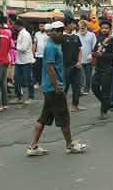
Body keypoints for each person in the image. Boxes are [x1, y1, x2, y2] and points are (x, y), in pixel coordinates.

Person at [27, 21, 87, 156]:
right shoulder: (51, 47)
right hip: (53, 88)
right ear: (53, 32)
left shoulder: (55, 45)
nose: (61, 35)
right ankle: (70, 145)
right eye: (58, 32)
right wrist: (57, 86)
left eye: (61, 31)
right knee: (64, 117)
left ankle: (33, 146)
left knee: (43, 118)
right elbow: (50, 68)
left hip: (50, 88)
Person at [92, 18, 113, 119]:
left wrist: (102, 55)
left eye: (106, 28)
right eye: (102, 28)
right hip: (98, 68)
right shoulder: (98, 39)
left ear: (110, 29)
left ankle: (103, 112)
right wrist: (94, 54)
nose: (104, 30)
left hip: (108, 69)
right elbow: (94, 51)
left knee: (105, 91)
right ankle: (107, 103)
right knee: (94, 87)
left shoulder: (112, 40)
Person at [62, 17, 85, 112]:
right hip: (65, 66)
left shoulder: (76, 37)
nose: (75, 26)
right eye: (73, 24)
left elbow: (79, 50)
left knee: (77, 86)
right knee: (64, 87)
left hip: (76, 66)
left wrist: (79, 61)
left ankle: (75, 105)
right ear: (67, 25)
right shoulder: (61, 37)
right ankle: (60, 106)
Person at [14, 23, 36, 102]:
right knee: (16, 79)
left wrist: (15, 45)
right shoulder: (20, 33)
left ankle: (31, 96)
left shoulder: (25, 34)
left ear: (18, 25)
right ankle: (18, 96)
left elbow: (23, 48)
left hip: (26, 60)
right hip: (19, 60)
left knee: (28, 79)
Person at [78, 18, 97, 94]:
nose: (82, 29)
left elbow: (95, 46)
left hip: (89, 59)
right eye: (81, 27)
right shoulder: (76, 35)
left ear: (86, 27)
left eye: (83, 27)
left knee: (89, 76)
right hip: (79, 59)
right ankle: (80, 89)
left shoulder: (91, 35)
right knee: (80, 76)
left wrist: (92, 55)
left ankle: (87, 89)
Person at [33, 22, 49, 87]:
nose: (41, 27)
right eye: (40, 26)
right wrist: (33, 52)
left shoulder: (48, 34)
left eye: (42, 26)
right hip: (38, 55)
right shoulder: (37, 34)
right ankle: (37, 82)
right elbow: (35, 43)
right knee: (37, 69)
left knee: (45, 69)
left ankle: (44, 82)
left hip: (45, 55)